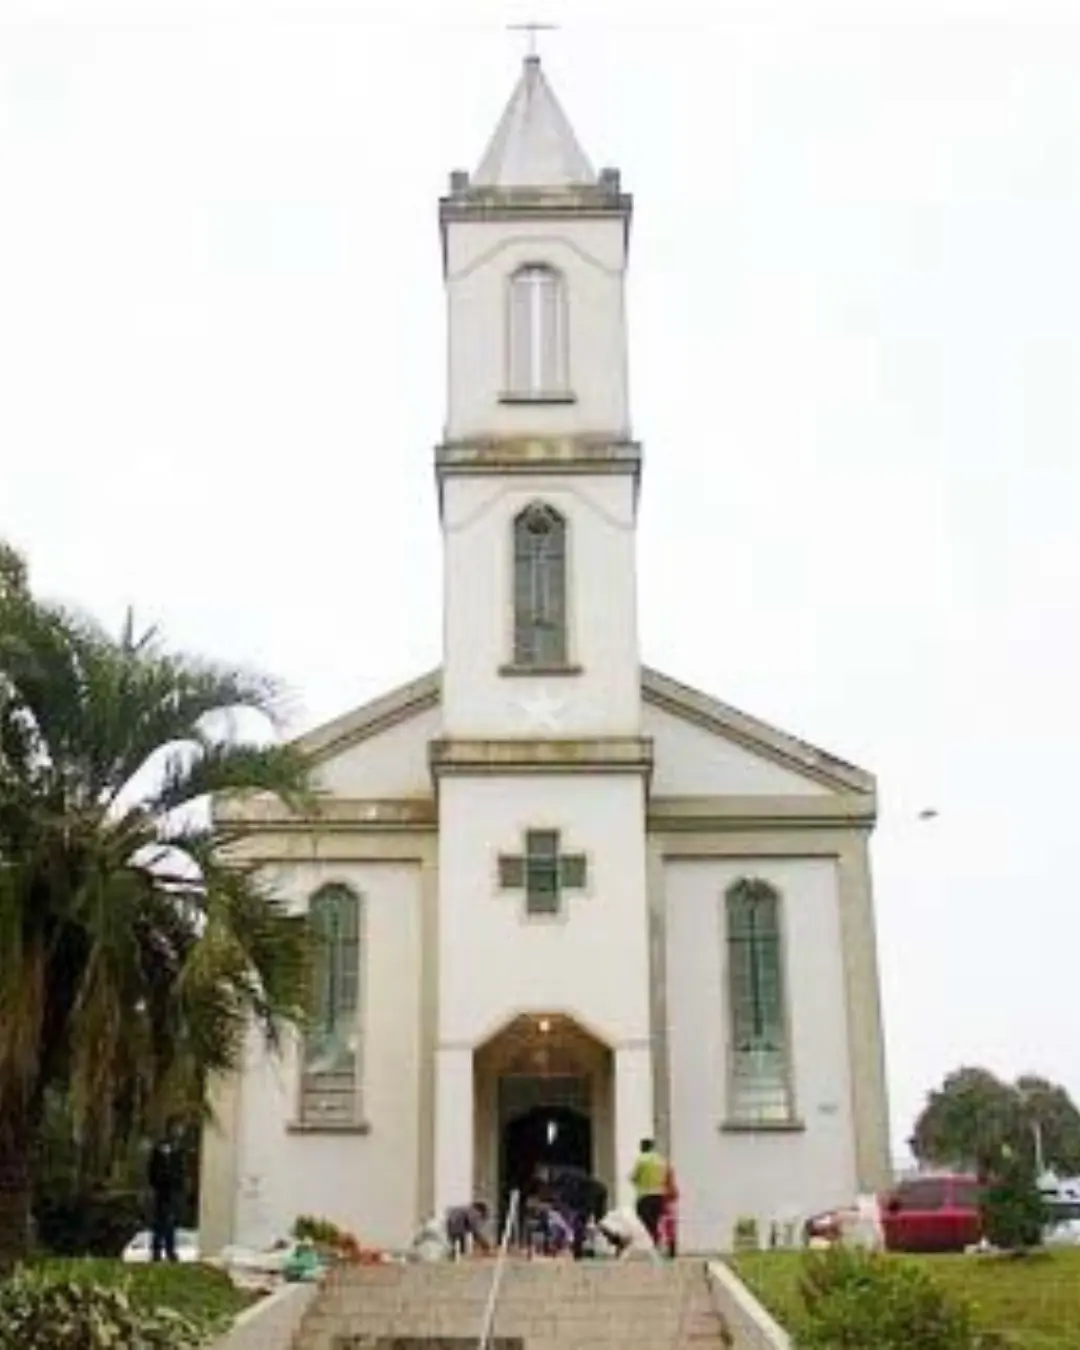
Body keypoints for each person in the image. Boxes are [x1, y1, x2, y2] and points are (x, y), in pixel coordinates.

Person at [147, 1119, 185, 1262]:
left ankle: (170, 1251)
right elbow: (152, 1169)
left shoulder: (179, 1150)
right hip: (161, 1190)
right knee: (160, 1221)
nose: (179, 1132)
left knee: (171, 1222)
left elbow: (181, 1170)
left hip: (174, 1190)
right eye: (176, 1128)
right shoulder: (159, 1148)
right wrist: (155, 1183)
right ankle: (157, 1251)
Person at [629, 1137, 669, 1246]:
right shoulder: (661, 1160)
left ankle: (647, 1242)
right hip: (659, 1194)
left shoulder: (642, 1160)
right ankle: (656, 1241)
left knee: (644, 1221)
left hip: (644, 1194)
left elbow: (634, 1177)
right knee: (655, 1220)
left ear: (643, 1147)